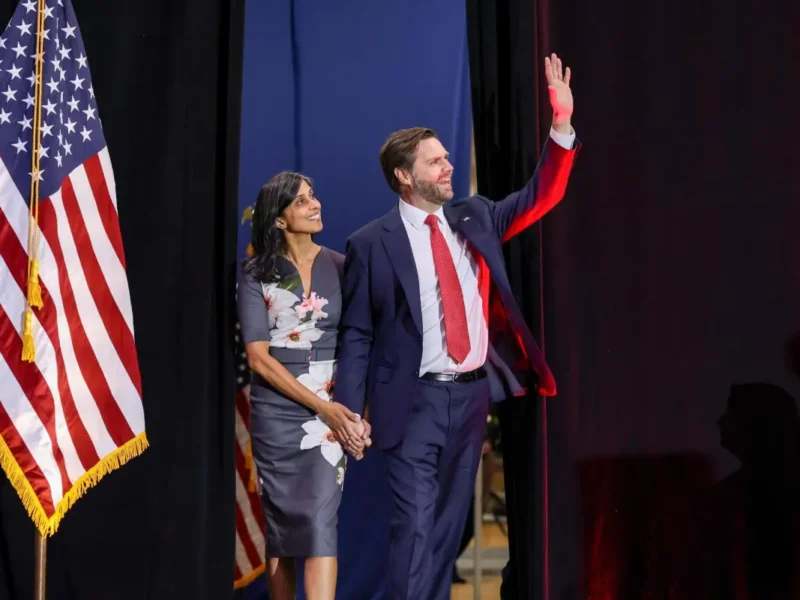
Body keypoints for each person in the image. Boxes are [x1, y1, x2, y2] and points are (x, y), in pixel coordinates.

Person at [333, 54, 580, 599]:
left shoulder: (477, 215)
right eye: (436, 162)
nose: (448, 167)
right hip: (412, 403)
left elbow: (543, 195)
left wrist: (560, 127)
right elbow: (356, 334)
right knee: (415, 529)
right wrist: (349, 413)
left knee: (447, 532)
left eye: (447, 158)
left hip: (470, 402)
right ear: (405, 176)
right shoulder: (371, 243)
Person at [237, 172, 368, 600]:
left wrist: (353, 412)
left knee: (318, 523)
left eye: (314, 196)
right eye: (301, 201)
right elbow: (258, 357)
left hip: (330, 414)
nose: (315, 205)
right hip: (277, 416)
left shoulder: (344, 266)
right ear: (278, 219)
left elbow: (361, 344)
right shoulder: (256, 272)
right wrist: (323, 407)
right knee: (282, 531)